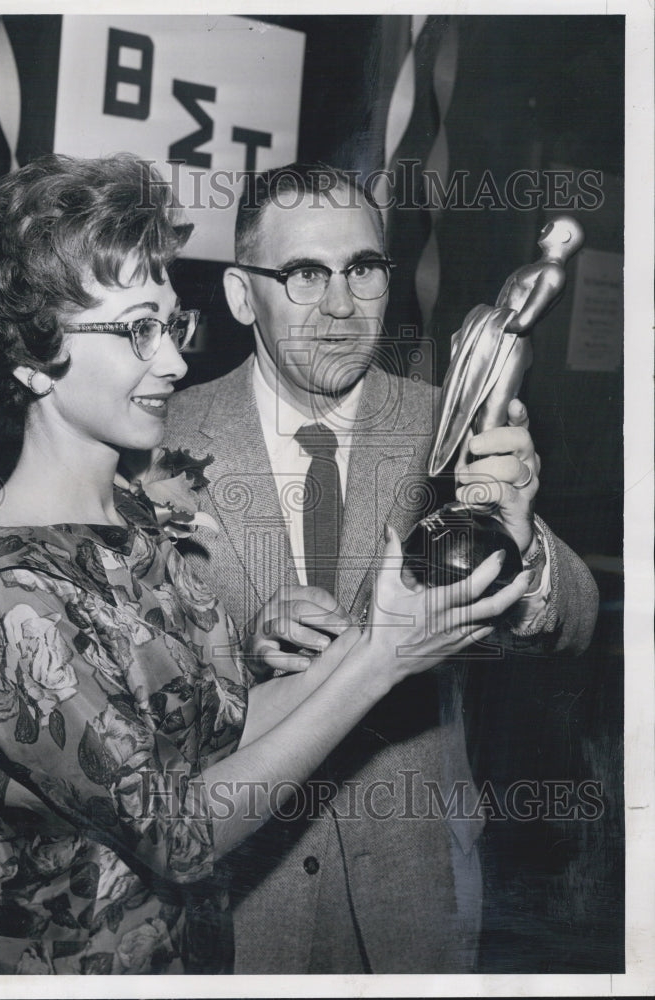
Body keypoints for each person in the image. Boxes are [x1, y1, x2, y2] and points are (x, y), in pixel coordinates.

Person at [0, 153, 531, 976]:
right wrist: (379, 662)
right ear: (27, 353)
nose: (174, 363)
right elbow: (181, 831)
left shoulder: (129, 520)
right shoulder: (3, 587)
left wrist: (388, 626)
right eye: (136, 331)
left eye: (171, 324)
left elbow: (224, 726)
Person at [158, 163, 599, 973]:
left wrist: (525, 544)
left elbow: (575, 620)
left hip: (414, 904)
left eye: (362, 269)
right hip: (234, 910)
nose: (340, 305)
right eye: (302, 274)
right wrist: (238, 657)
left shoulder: (452, 420)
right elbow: (116, 694)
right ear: (237, 293)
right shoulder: (156, 439)